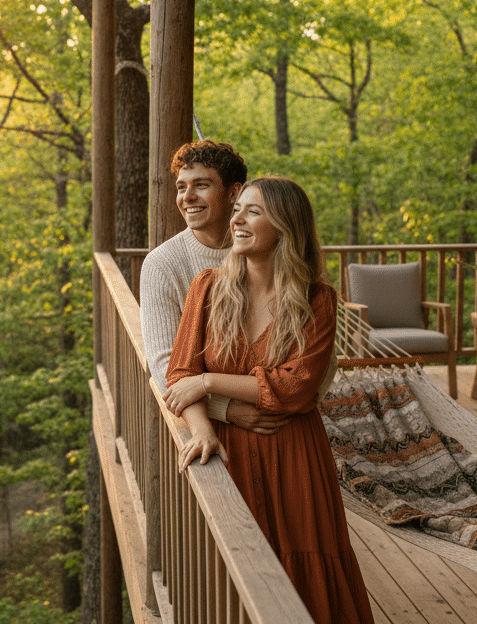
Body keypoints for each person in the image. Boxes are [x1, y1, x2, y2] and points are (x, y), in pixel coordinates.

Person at [163, 176, 375, 624]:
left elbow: (296, 387)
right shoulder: (207, 288)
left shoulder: (317, 299)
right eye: (237, 209)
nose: (236, 219)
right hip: (229, 453)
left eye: (253, 211)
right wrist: (202, 432)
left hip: (294, 458)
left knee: (306, 571)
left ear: (284, 226)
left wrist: (208, 381)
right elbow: (179, 375)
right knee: (235, 576)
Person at [140, 140, 290, 435]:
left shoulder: (266, 248)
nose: (187, 197)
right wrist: (227, 409)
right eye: (181, 187)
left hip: (280, 411)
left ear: (234, 192)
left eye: (201, 185)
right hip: (206, 422)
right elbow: (164, 365)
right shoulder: (161, 264)